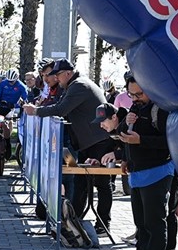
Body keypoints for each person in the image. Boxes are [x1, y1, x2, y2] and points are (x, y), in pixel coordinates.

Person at [24, 59, 114, 232]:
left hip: (98, 140)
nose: (56, 78)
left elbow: (61, 109)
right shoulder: (73, 85)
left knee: (101, 182)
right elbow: (57, 105)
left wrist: (36, 111)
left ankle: (103, 223)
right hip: (86, 141)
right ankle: (75, 220)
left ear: (67, 73)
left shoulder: (79, 85)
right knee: (80, 181)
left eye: (57, 74)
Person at [116, 76, 172, 250]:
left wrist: (142, 140)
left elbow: (170, 141)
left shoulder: (161, 109)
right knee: (140, 221)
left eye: (139, 94)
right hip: (137, 171)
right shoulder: (135, 108)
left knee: (154, 221)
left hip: (157, 170)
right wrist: (125, 156)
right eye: (131, 94)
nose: (135, 98)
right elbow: (122, 134)